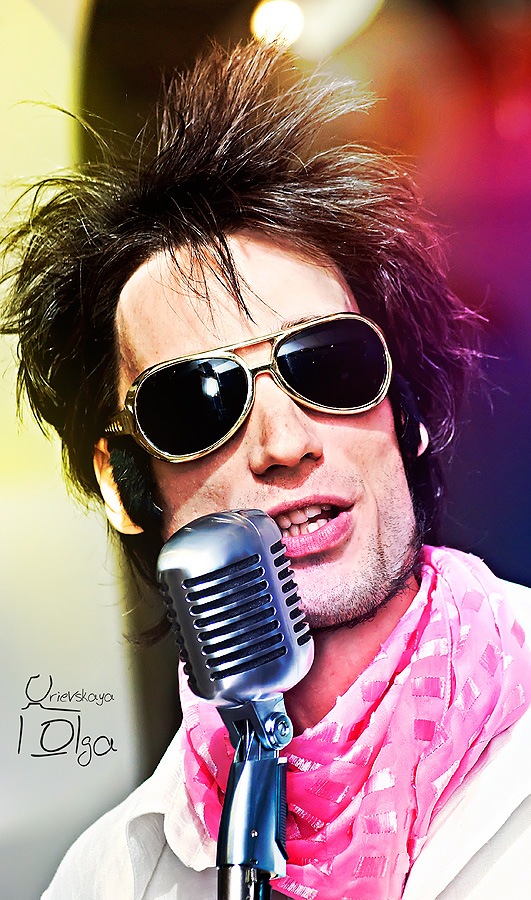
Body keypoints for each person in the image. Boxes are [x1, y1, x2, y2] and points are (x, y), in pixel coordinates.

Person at [2, 39, 530, 900]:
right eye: (197, 402)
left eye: (328, 365)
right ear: (127, 484)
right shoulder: (115, 876)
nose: (284, 442)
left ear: (405, 410)